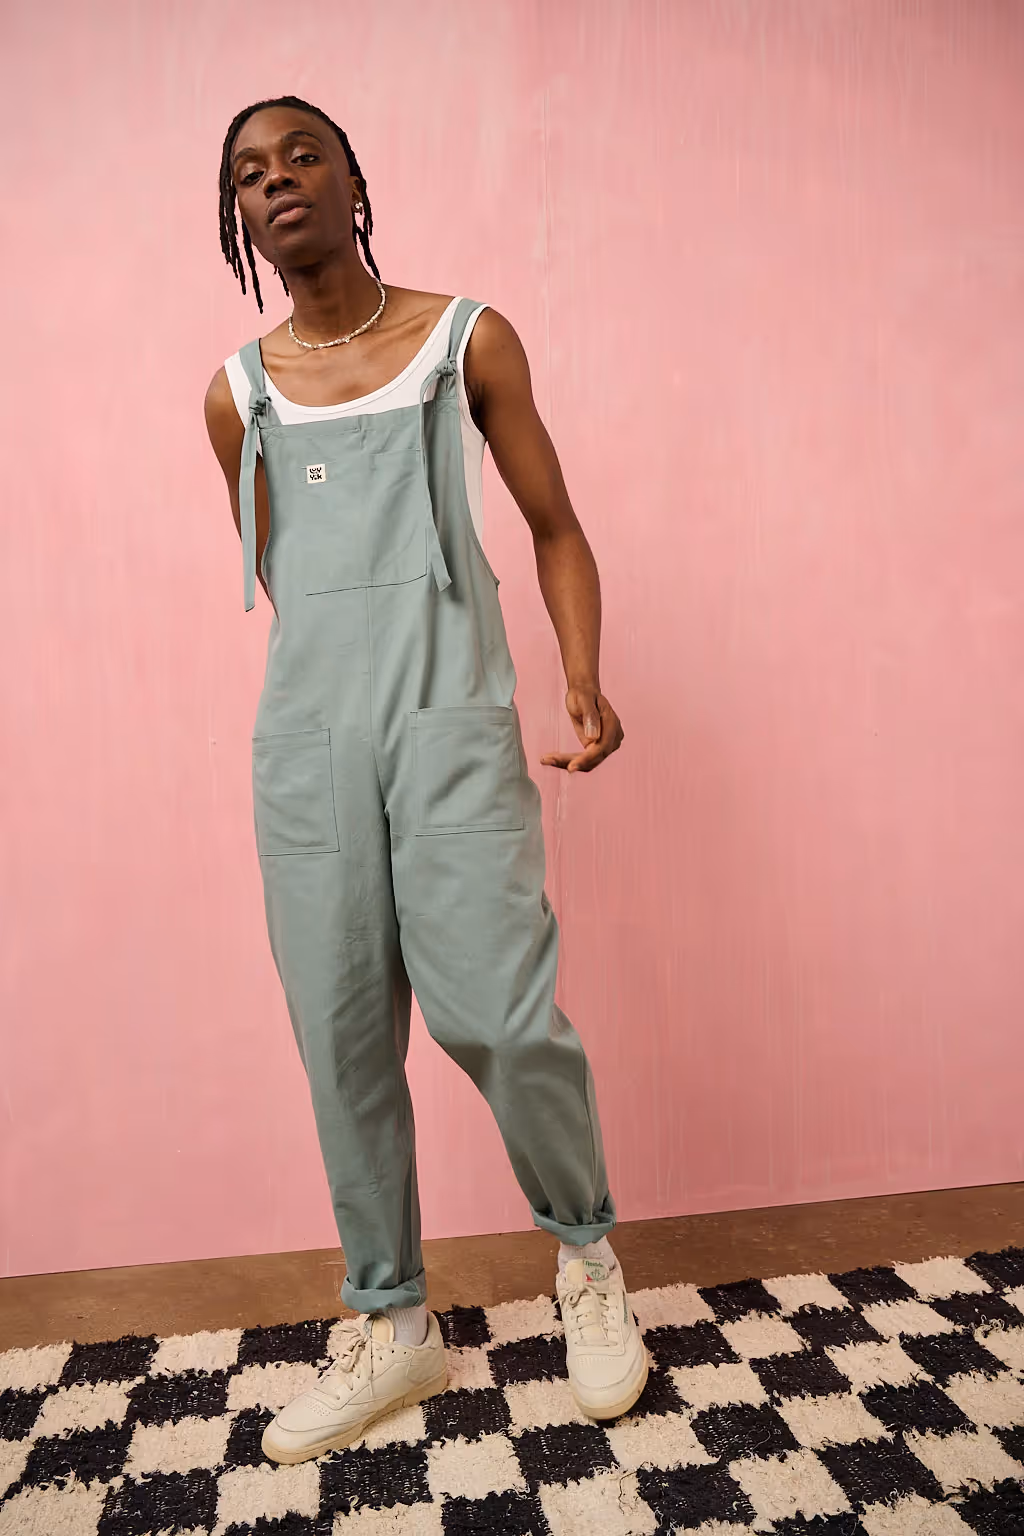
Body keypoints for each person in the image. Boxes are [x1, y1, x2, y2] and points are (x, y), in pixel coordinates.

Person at [204, 95, 647, 1465]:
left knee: (499, 1015)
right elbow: (292, 587)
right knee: (343, 1043)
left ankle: (585, 1260)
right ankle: (392, 1324)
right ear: (238, 220)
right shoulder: (239, 395)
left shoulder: (467, 342)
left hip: (450, 722)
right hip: (309, 749)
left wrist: (579, 675)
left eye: (301, 158)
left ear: (353, 180)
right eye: (248, 176)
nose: (277, 184)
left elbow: (555, 527)